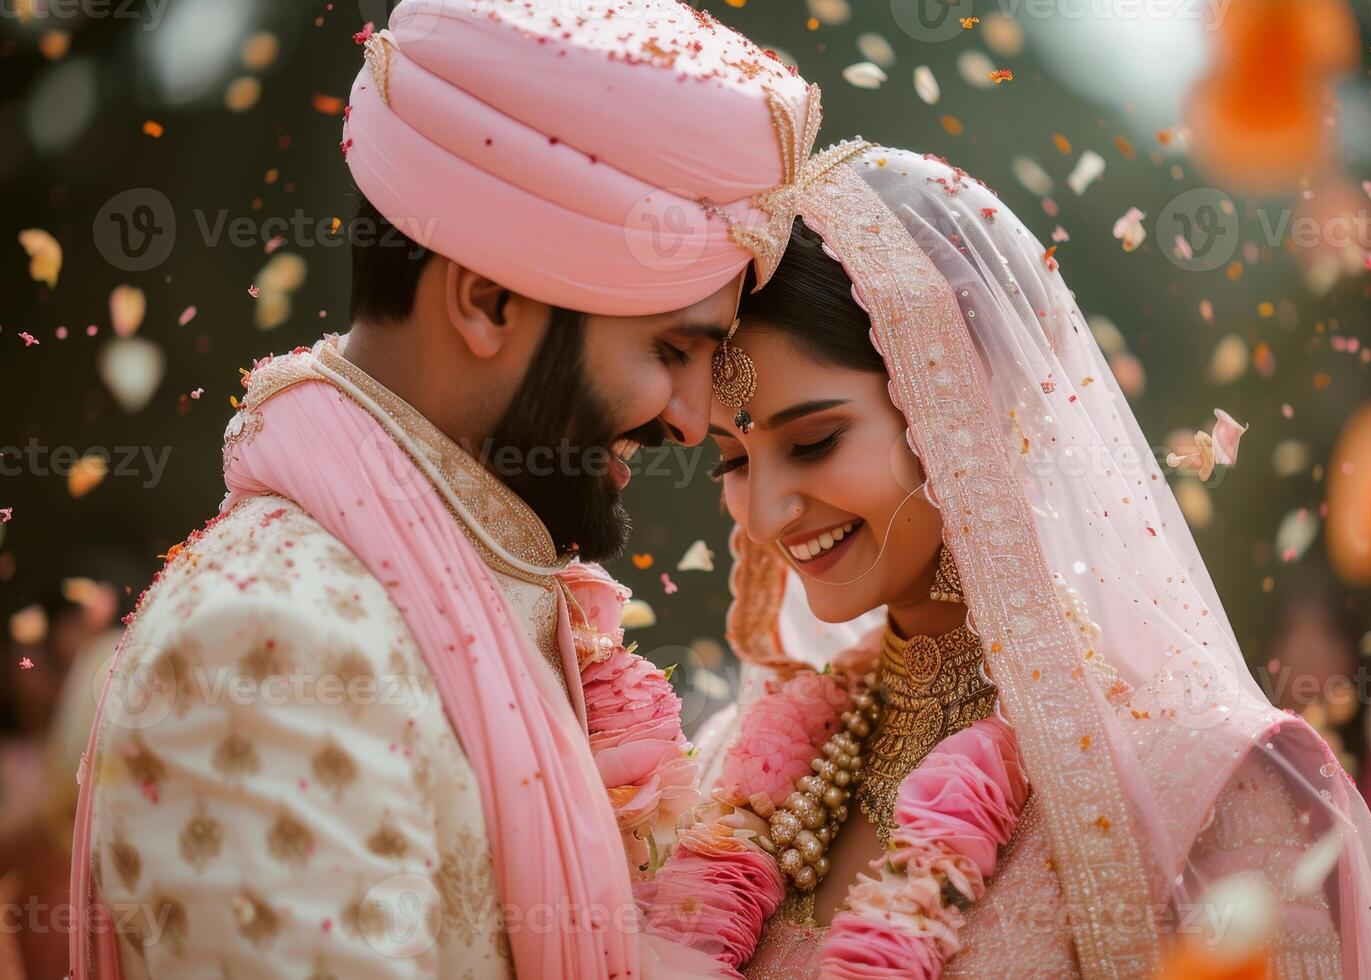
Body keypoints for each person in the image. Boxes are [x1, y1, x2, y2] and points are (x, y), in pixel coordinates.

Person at [66, 1, 858, 976]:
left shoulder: (466, 574)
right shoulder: (267, 642)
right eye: (670, 349)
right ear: (486, 301)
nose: (693, 419)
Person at [640, 147, 1371, 978]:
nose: (765, 514)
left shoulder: (1205, 785)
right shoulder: (740, 771)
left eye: (814, 442)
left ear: (963, 406)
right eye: (731, 460)